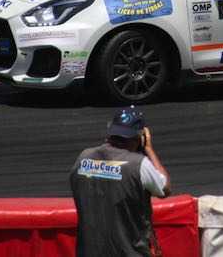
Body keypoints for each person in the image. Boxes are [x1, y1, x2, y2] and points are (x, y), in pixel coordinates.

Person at [70, 106, 171, 257]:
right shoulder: (138, 164)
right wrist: (149, 149)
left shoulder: (83, 157)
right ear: (140, 137)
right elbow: (165, 188)